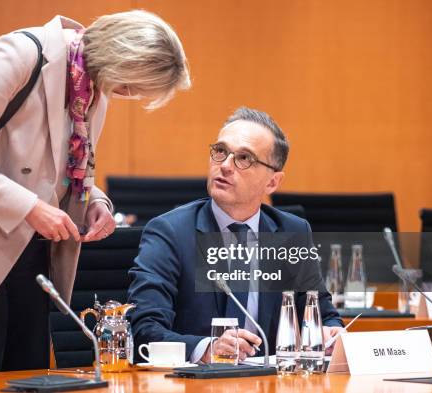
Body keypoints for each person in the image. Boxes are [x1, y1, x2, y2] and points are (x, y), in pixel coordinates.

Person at [0, 10, 190, 376]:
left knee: (28, 381)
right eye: (132, 86)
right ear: (121, 56)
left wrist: (95, 202)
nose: (129, 95)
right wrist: (30, 207)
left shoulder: (92, 85)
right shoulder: (18, 56)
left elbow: (64, 167)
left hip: (31, 257)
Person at [127, 107, 344, 364]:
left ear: (272, 182)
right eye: (220, 151)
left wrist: (330, 331)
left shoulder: (292, 232)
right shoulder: (170, 232)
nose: (226, 165)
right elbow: (143, 328)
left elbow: (320, 310)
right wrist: (208, 349)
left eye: (244, 158)